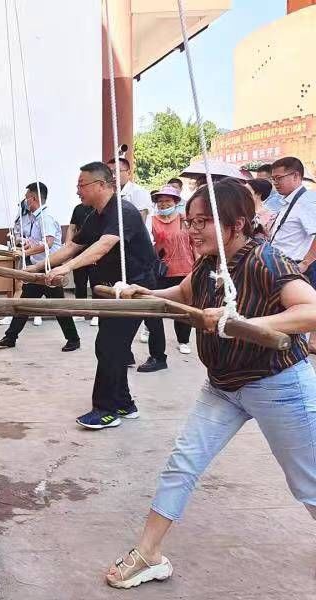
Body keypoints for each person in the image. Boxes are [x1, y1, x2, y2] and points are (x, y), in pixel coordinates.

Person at [104, 179, 316, 589]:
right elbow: (183, 293)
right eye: (191, 221)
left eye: (203, 222)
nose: (192, 230)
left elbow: (311, 309)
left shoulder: (266, 260)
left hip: (278, 385)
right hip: (222, 386)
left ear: (237, 224)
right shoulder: (208, 263)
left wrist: (240, 323)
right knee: (182, 462)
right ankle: (148, 554)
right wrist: (143, 293)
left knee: (308, 483)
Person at [40, 162, 157, 429]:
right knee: (112, 347)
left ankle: (107, 410)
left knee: (109, 347)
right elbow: (73, 245)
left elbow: (103, 247)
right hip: (112, 291)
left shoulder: (123, 211)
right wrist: (40, 267)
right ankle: (125, 404)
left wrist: (66, 268)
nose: (78, 191)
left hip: (135, 291)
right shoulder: (96, 215)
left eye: (82, 185)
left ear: (101, 185)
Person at [0, 182, 81, 352]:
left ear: (33, 199)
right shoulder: (35, 218)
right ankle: (10, 337)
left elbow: (47, 243)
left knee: (58, 306)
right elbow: (37, 242)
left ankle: (73, 339)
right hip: (38, 267)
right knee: (25, 303)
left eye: (27, 199)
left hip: (50, 267)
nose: (25, 202)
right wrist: (24, 246)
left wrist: (25, 254)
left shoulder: (45, 218)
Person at [268, 156, 316, 353]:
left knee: (291, 321)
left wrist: (305, 262)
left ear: (296, 175)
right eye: (274, 179)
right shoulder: (288, 202)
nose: (275, 183)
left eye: (279, 178)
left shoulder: (306, 201)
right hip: (280, 266)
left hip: (292, 268)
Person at [147, 185, 195, 356]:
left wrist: (197, 266)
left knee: (183, 308)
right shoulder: (151, 220)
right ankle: (151, 333)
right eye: (160, 202)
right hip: (161, 270)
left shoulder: (185, 220)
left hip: (185, 269)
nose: (164, 204)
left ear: (175, 202)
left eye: (167, 201)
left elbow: (195, 244)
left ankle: (183, 340)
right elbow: (149, 247)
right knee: (156, 304)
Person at [67, 199, 96, 325]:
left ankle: (96, 313)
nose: (80, 194)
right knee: (79, 282)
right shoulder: (78, 208)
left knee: (96, 283)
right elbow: (71, 228)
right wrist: (68, 245)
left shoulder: (98, 209)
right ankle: (80, 312)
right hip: (79, 251)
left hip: (96, 251)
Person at [107, 157, 152, 222]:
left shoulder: (138, 191)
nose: (113, 176)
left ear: (128, 173)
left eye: (116, 171)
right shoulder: (112, 193)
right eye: (109, 173)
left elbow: (140, 221)